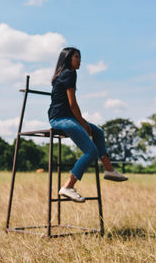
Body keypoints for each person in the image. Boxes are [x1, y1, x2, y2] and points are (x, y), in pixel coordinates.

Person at [48, 47, 128, 203]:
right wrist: (82, 123)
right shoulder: (68, 74)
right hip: (60, 118)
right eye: (76, 57)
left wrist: (82, 122)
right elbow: (72, 105)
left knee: (98, 132)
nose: (79, 60)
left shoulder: (70, 74)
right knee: (90, 151)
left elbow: (71, 106)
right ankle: (68, 186)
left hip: (67, 117)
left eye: (80, 57)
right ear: (67, 59)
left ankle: (109, 170)